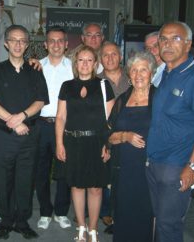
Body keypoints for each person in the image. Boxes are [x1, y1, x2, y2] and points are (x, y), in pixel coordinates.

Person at [146, 21, 194, 242]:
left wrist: (192, 165)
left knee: (169, 226)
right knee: (158, 220)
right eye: (163, 39)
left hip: (176, 166)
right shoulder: (164, 74)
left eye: (175, 39)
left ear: (188, 45)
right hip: (153, 162)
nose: (167, 44)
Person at [0, 24, 49, 240]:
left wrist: (22, 116)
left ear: (27, 45)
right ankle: (5, 221)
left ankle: (22, 222)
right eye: (13, 40)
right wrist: (14, 122)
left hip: (30, 136)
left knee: (25, 180)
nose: (18, 44)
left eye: (22, 40)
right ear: (6, 43)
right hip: (4, 135)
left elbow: (41, 100)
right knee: (3, 180)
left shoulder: (35, 70)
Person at [55, 45, 114, 242]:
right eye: (81, 60)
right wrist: (59, 143)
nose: (85, 64)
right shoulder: (66, 86)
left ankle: (93, 228)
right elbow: (61, 117)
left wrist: (108, 144)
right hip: (73, 142)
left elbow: (110, 120)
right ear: (75, 63)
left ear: (96, 64)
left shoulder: (104, 86)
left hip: (97, 142)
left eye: (89, 60)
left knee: (96, 188)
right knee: (77, 186)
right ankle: (81, 226)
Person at [107, 51, 157, 242]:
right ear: (129, 75)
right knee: (124, 212)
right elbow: (109, 137)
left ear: (151, 73)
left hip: (149, 168)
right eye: (134, 70)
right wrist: (125, 136)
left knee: (146, 212)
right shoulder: (121, 100)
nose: (138, 75)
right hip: (124, 168)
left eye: (143, 70)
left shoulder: (159, 98)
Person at [35, 27, 73, 230]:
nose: (56, 44)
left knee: (64, 172)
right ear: (45, 44)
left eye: (60, 41)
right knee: (40, 171)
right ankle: (44, 211)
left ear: (66, 44)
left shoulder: (74, 67)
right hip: (41, 125)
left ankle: (61, 211)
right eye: (52, 41)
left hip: (66, 126)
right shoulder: (35, 67)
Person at [96, 41, 130, 230]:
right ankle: (107, 212)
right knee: (106, 177)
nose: (110, 58)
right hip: (105, 135)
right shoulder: (95, 80)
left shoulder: (133, 77)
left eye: (114, 54)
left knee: (125, 177)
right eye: (106, 55)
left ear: (121, 56)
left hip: (129, 134)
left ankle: (122, 213)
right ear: (101, 59)